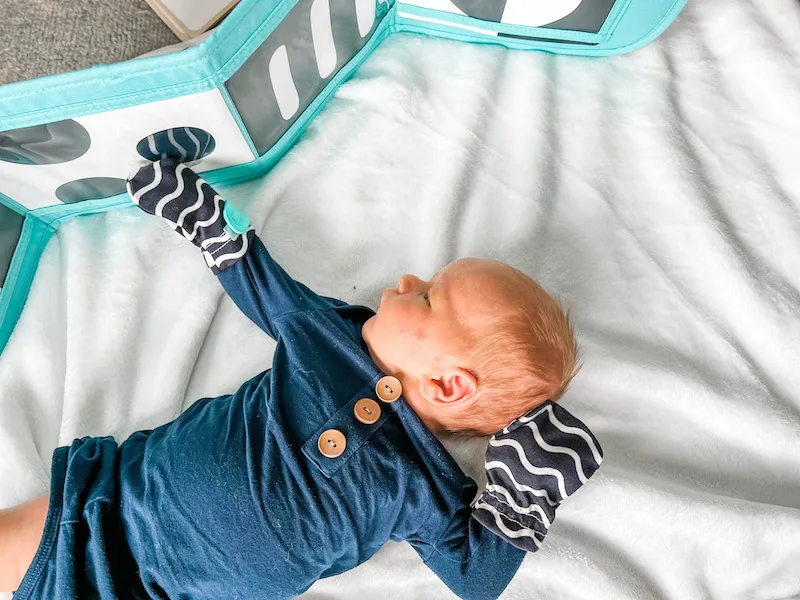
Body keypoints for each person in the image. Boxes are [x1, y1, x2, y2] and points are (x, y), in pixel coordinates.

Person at [1, 158, 602, 600]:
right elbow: (261, 283)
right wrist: (198, 211)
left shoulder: (426, 487)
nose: (407, 280)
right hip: (113, 505)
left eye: (427, 298)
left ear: (450, 386)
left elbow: (477, 579)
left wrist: (523, 497)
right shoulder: (331, 339)